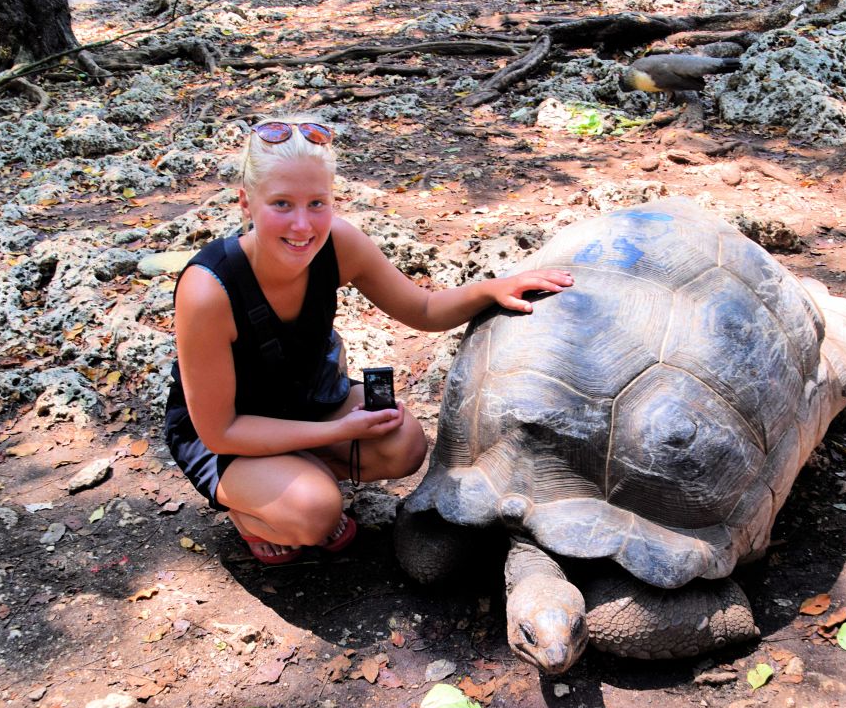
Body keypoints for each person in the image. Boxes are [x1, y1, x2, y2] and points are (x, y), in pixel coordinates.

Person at [164, 116, 574, 565]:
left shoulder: (339, 244)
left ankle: (293, 475)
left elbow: (421, 309)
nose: (302, 226)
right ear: (246, 202)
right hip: (229, 434)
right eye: (281, 203)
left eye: (317, 203)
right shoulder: (208, 290)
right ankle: (254, 512)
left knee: (405, 445)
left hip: (309, 400)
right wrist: (336, 432)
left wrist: (492, 288)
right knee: (315, 511)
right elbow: (221, 431)